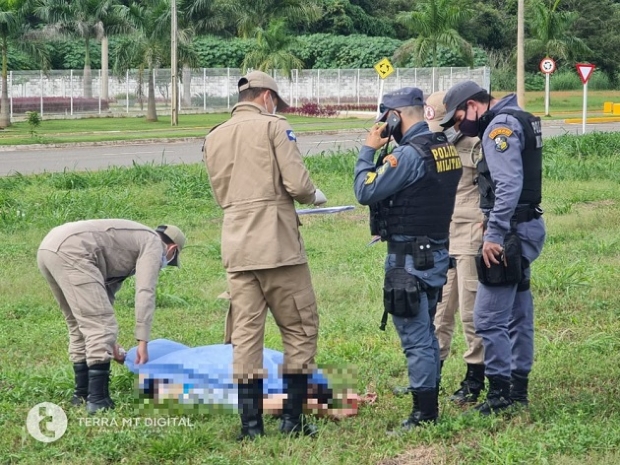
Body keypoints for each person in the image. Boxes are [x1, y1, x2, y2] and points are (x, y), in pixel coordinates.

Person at [203, 70, 328, 440]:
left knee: (245, 337)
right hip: (277, 247)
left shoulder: (214, 135)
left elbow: (221, 192)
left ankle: (250, 425)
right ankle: (292, 420)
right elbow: (298, 184)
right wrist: (314, 195)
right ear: (267, 98)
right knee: (300, 328)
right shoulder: (275, 126)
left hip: (237, 248)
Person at [353, 87, 462, 430]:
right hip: (436, 253)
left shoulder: (410, 155)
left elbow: (365, 190)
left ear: (396, 116)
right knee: (426, 331)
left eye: (386, 120)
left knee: (415, 336)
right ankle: (428, 397)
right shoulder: (443, 147)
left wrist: (368, 150)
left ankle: (424, 413)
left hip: (409, 261)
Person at [439, 81, 546, 415]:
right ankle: (518, 392)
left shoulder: (498, 126)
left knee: (486, 317)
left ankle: (500, 393)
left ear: (473, 105)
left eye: (458, 118)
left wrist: (495, 234)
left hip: (511, 233)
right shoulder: (522, 117)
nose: (459, 126)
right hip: (525, 227)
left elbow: (509, 182)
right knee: (517, 313)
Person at [37, 219, 186, 414]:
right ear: (172, 249)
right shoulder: (153, 244)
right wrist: (143, 341)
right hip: (74, 250)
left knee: (78, 322)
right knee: (100, 325)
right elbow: (145, 292)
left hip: (49, 247)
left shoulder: (131, 241)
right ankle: (98, 400)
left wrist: (111, 343)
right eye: (170, 259)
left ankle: (81, 394)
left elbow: (105, 293)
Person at [114, 339, 364, 420]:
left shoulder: (171, 365)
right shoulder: (174, 361)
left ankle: (317, 401)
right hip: (259, 371)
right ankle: (319, 400)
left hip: (245, 373)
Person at [425, 91, 486, 405]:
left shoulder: (476, 145)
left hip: (471, 233)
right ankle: (430, 378)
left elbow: (496, 188)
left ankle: (474, 378)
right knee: (440, 311)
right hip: (443, 237)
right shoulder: (436, 144)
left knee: (472, 312)